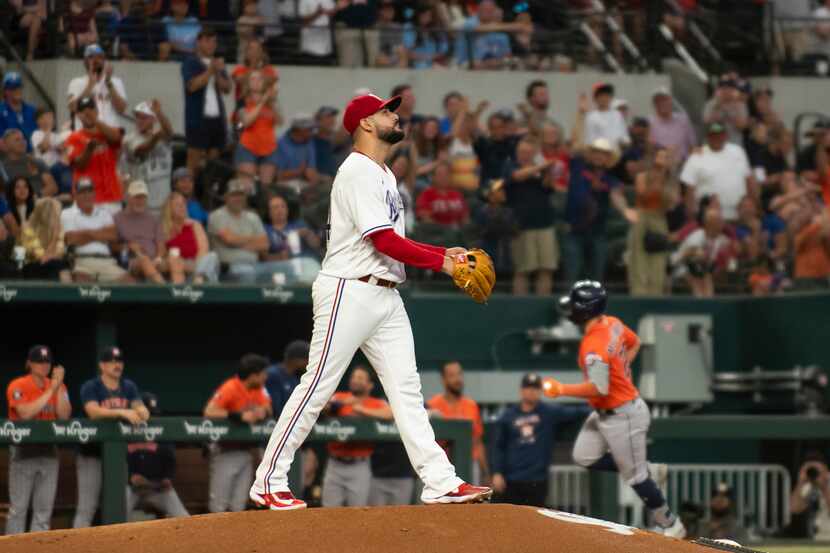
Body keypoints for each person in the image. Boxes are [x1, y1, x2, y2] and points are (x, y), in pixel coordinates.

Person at [250, 92, 493, 510]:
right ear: (364, 123)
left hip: (384, 293)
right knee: (317, 387)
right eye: (386, 111)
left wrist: (443, 253)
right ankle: (268, 480)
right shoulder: (358, 171)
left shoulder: (383, 173)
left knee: (407, 391)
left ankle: (439, 480)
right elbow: (380, 240)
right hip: (349, 288)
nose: (394, 116)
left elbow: (392, 242)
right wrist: (441, 264)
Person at [542, 281, 686, 538]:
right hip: (606, 412)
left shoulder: (593, 344)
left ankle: (670, 523)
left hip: (623, 414)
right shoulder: (613, 323)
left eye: (575, 305)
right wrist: (621, 367)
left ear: (584, 310)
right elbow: (635, 343)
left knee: (637, 479)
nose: (571, 310)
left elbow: (598, 387)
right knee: (584, 456)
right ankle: (650, 469)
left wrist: (561, 389)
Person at [74, 346, 150, 528]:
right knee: (87, 507)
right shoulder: (91, 386)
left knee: (120, 504)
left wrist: (141, 410)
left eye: (119, 361)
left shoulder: (128, 386)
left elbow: (142, 410)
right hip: (91, 453)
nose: (117, 365)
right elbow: (93, 411)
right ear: (102, 365)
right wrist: (123, 412)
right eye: (111, 361)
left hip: (116, 455)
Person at [566, 99, 638, 285]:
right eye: (596, 151)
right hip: (574, 231)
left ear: (608, 158)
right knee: (572, 275)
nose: (599, 155)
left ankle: (594, 312)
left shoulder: (610, 179)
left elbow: (616, 196)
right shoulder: (578, 166)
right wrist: (581, 115)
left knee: (596, 277)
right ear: (591, 154)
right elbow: (575, 143)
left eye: (604, 153)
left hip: (598, 232)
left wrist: (625, 211)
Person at [490, 373, 589, 507]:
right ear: (522, 390)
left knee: (534, 523)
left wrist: (600, 407)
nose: (532, 391)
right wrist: (497, 472)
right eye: (529, 388)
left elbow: (576, 412)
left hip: (537, 480)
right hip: (511, 479)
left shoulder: (549, 412)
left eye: (536, 388)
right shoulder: (508, 416)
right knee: (508, 522)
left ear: (540, 391)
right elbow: (498, 446)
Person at [4, 346, 71, 535]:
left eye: (47, 362)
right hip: (23, 450)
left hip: (49, 451)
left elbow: (64, 416)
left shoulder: (58, 386)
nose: (44, 366)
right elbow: (25, 413)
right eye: (39, 362)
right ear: (29, 364)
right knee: (19, 510)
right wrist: (51, 389)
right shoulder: (18, 385)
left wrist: (56, 387)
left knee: (43, 512)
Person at [204, 354, 273, 513]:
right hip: (225, 450)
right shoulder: (231, 387)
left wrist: (262, 411)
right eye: (263, 373)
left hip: (246, 451)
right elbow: (209, 411)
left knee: (238, 506)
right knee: (219, 506)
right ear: (254, 375)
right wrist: (238, 416)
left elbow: (268, 407)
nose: (266, 377)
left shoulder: (259, 390)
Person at [321, 365, 393, 507]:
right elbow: (322, 407)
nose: (355, 380)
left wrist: (360, 409)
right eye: (353, 377)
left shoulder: (376, 403)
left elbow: (390, 413)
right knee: (328, 513)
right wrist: (339, 404)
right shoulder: (340, 397)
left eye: (360, 378)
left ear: (370, 385)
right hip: (335, 463)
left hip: (359, 465)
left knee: (358, 514)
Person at [503, 137, 557, 296]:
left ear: (534, 153)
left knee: (546, 268)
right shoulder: (510, 166)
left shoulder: (539, 169)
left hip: (545, 223)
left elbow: (549, 187)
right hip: (522, 225)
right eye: (521, 152)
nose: (524, 155)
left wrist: (548, 172)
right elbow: (517, 176)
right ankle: (520, 306)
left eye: (528, 152)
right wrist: (542, 166)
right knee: (523, 269)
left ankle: (541, 304)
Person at [126, 392, 190, 520]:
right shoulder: (125, 429)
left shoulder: (162, 433)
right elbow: (116, 463)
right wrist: (130, 476)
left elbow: (170, 461)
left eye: (153, 414)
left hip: (157, 489)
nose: (150, 418)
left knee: (184, 517)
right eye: (148, 414)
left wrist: (167, 478)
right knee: (117, 516)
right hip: (131, 489)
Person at [182, 28, 231, 181]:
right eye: (208, 41)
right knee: (193, 166)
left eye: (214, 41)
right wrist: (211, 70)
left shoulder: (217, 64)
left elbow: (227, 88)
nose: (212, 45)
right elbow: (192, 86)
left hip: (216, 119)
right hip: (197, 120)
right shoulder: (190, 62)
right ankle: (188, 198)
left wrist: (217, 72)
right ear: (199, 42)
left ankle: (207, 196)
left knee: (212, 164)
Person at [427, 361, 488, 485]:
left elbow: (477, 441)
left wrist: (485, 472)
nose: (458, 379)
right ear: (443, 379)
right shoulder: (432, 405)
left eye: (459, 374)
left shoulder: (471, 405)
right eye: (452, 375)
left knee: (471, 502)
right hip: (442, 465)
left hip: (469, 463)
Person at [680, 122, 754, 222]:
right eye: (713, 135)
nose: (717, 138)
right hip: (711, 219)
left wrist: (754, 205)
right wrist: (691, 218)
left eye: (720, 134)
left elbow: (748, 179)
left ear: (726, 135)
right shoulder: (697, 156)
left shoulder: (738, 151)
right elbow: (689, 189)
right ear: (707, 137)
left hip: (741, 216)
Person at [627, 147, 676, 296]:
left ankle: (656, 295)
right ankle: (639, 295)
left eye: (665, 157)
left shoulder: (671, 181)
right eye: (659, 157)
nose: (661, 160)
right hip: (642, 217)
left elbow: (671, 203)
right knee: (639, 263)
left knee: (658, 263)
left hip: (659, 219)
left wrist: (665, 179)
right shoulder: (642, 176)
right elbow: (643, 195)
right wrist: (657, 179)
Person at [61, 177, 130, 283]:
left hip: (107, 262)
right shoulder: (67, 213)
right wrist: (100, 234)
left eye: (90, 191)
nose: (87, 195)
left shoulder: (104, 213)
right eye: (83, 192)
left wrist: (86, 234)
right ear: (76, 195)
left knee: (130, 284)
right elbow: (72, 239)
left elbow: (113, 235)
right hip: (81, 261)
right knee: (84, 288)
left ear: (94, 194)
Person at [65, 96, 124, 213]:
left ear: (97, 111)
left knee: (112, 231)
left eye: (91, 109)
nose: (87, 113)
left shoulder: (109, 131)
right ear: (78, 115)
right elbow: (78, 165)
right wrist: (89, 149)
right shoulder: (73, 138)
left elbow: (117, 138)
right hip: (88, 199)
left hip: (112, 198)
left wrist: (95, 120)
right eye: (83, 111)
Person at [207, 178, 269, 282]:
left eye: (241, 195)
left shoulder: (253, 217)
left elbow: (265, 244)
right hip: (228, 268)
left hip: (256, 265)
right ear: (225, 197)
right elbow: (229, 240)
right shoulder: (216, 216)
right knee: (247, 271)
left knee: (284, 269)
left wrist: (237, 241)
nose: (238, 198)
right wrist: (255, 241)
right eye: (234, 195)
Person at [123, 100, 174, 216]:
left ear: (153, 119)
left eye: (144, 118)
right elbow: (141, 150)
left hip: (164, 199)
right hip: (141, 201)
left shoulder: (162, 135)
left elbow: (170, 132)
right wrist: (155, 138)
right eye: (138, 117)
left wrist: (159, 113)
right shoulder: (128, 139)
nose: (140, 121)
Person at [671, 206, 734, 298]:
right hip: (679, 267)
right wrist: (697, 253)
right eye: (719, 221)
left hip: (700, 270)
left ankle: (707, 303)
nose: (722, 224)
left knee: (705, 275)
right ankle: (702, 303)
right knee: (703, 275)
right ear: (709, 223)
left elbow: (716, 262)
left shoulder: (719, 240)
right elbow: (684, 257)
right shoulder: (698, 236)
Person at [114, 180, 168, 284]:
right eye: (137, 197)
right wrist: (128, 246)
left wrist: (159, 258)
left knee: (175, 261)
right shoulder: (117, 218)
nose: (140, 201)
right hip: (132, 261)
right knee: (144, 261)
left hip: (155, 260)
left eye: (143, 197)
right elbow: (112, 246)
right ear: (128, 198)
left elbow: (161, 245)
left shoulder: (153, 218)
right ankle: (166, 292)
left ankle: (181, 293)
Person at [160, 191, 219, 284]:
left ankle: (197, 281)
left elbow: (203, 250)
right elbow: (162, 256)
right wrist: (181, 264)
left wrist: (193, 267)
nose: (182, 207)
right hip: (178, 270)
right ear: (169, 209)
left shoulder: (195, 225)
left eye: (183, 203)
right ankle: (188, 287)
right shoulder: (164, 230)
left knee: (212, 256)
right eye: (177, 205)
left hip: (197, 268)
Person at [262, 193, 322, 284]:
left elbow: (316, 245)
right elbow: (264, 257)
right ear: (269, 212)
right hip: (281, 265)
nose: (280, 210)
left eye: (283, 206)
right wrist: (281, 256)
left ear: (287, 210)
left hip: (305, 261)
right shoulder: (265, 229)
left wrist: (308, 234)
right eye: (275, 207)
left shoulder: (299, 224)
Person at [235, 70, 281, 188]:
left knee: (266, 186)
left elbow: (280, 121)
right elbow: (246, 121)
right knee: (247, 186)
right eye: (253, 79)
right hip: (248, 146)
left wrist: (273, 100)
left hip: (269, 147)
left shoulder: (270, 103)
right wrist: (262, 102)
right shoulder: (242, 101)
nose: (256, 82)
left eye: (259, 79)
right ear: (248, 83)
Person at [67, 43, 128, 129]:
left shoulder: (116, 81)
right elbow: (72, 108)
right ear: (85, 61)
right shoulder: (76, 82)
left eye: (99, 57)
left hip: (111, 131)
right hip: (87, 133)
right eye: (91, 57)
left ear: (104, 61)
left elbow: (121, 108)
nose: (96, 60)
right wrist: (90, 85)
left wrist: (108, 83)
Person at [20, 197, 72, 282]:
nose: (58, 217)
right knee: (60, 267)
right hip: (31, 266)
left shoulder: (59, 227)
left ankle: (65, 293)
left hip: (54, 264)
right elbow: (42, 258)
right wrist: (55, 238)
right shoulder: (27, 229)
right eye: (56, 214)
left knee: (60, 266)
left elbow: (59, 253)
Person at [1, 129, 58, 197]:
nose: (22, 142)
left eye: (23, 139)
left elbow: (53, 187)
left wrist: (34, 198)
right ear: (7, 145)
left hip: (43, 203)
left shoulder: (36, 161)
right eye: (17, 140)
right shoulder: (2, 169)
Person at [648, 87, 697, 163]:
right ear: (654, 104)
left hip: (683, 165)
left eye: (664, 100)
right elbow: (648, 150)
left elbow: (692, 145)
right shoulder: (649, 123)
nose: (661, 103)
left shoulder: (683, 120)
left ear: (670, 101)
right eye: (658, 101)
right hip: (661, 168)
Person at [415, 161, 469, 228]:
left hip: (458, 232)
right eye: (440, 174)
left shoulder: (457, 194)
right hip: (437, 234)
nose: (443, 177)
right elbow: (425, 219)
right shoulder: (426, 195)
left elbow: (465, 217)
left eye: (446, 174)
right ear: (433, 177)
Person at [265, 340, 310, 418]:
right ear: (296, 359)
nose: (309, 362)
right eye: (307, 359)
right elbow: (276, 408)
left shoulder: (295, 378)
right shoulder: (272, 375)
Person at [276, 115, 320, 192]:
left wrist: (313, 177)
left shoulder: (309, 142)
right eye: (309, 129)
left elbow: (311, 169)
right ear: (300, 130)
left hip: (304, 183)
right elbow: (278, 175)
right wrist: (298, 171)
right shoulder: (280, 144)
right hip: (283, 185)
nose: (312, 132)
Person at [703, 77, 749, 147]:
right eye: (722, 87)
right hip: (714, 146)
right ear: (718, 89)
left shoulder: (740, 105)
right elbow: (707, 123)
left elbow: (741, 126)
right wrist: (718, 106)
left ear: (734, 90)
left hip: (734, 145)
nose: (726, 90)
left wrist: (733, 108)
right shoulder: (711, 104)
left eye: (729, 87)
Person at [584, 83, 630, 149]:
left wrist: (624, 142)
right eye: (601, 96)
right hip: (600, 154)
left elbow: (624, 135)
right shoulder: (591, 117)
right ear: (595, 98)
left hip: (618, 153)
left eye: (607, 95)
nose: (604, 98)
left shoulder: (617, 115)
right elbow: (590, 139)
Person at [0, 72, 38, 150]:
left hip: (32, 155)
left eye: (19, 87)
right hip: (8, 157)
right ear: (5, 91)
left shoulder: (32, 110)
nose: (17, 91)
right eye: (13, 88)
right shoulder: (1, 111)